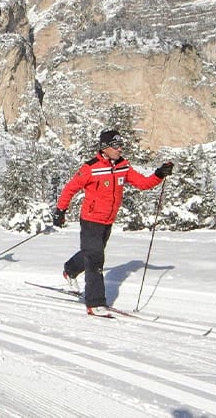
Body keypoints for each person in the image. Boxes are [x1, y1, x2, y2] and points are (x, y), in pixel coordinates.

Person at [52, 129, 173, 316]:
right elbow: (70, 188)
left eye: (121, 144)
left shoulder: (123, 166)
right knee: (95, 260)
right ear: (105, 148)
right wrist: (60, 210)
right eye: (116, 145)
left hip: (108, 221)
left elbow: (142, 183)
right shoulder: (90, 168)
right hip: (91, 220)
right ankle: (95, 303)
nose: (120, 148)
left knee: (90, 253)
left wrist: (159, 174)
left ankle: (70, 269)